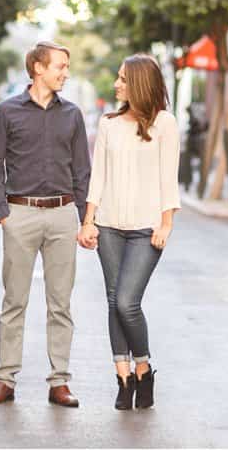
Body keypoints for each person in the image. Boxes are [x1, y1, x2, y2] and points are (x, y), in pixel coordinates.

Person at [0, 41, 91, 407]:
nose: (65, 72)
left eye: (66, 66)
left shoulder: (72, 114)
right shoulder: (6, 111)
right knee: (14, 301)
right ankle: (5, 379)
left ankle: (59, 382)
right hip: (20, 214)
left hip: (62, 214)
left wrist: (86, 218)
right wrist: (2, 212)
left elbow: (82, 171)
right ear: (38, 68)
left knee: (61, 304)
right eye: (60, 66)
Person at [78, 54, 180, 410]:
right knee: (112, 301)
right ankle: (123, 379)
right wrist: (88, 220)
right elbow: (98, 176)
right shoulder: (109, 124)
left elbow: (169, 178)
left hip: (146, 229)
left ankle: (144, 368)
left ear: (139, 83)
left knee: (127, 302)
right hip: (108, 225)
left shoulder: (166, 124)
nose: (116, 84)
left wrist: (166, 224)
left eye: (123, 79)